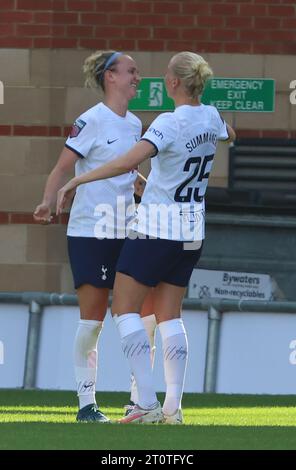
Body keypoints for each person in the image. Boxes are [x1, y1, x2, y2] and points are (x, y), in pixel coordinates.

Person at [56, 51, 236, 424]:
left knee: (124, 310)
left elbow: (125, 161)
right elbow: (229, 135)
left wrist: (77, 179)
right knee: (170, 316)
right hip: (193, 230)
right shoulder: (212, 116)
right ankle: (174, 409)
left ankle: (147, 404)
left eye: (165, 74)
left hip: (157, 227)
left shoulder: (168, 122)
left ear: (173, 83)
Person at [33, 50, 157, 423]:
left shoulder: (136, 124)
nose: (137, 77)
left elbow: (128, 175)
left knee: (142, 313)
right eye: (131, 71)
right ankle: (86, 405)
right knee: (92, 321)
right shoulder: (90, 121)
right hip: (90, 231)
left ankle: (141, 400)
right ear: (110, 78)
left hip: (128, 230)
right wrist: (46, 200)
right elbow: (61, 167)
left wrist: (147, 190)